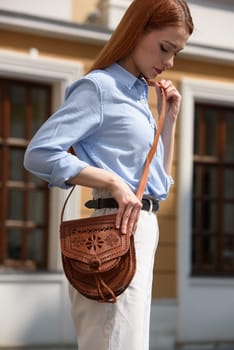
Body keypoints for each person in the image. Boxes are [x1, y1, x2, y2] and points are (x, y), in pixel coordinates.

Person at [24, 0, 193, 349]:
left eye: (176, 53)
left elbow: (157, 184)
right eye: (165, 48)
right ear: (137, 30)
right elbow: (39, 153)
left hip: (140, 228)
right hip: (112, 231)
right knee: (113, 341)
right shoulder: (100, 88)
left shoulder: (137, 98)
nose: (169, 62)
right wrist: (111, 181)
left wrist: (169, 120)